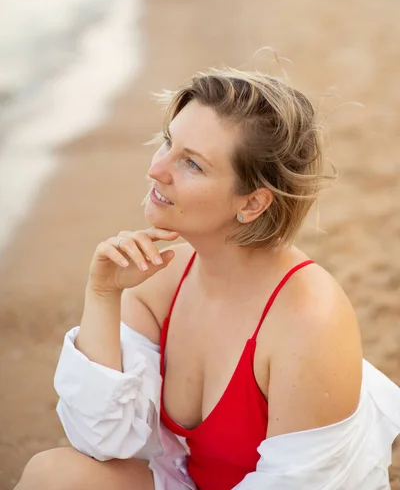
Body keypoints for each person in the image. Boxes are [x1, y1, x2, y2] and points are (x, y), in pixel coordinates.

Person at [16, 68, 400, 490]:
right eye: (167, 142)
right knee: (51, 475)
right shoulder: (159, 281)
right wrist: (103, 293)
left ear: (252, 202)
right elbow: (102, 439)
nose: (157, 170)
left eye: (192, 163)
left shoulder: (308, 320)